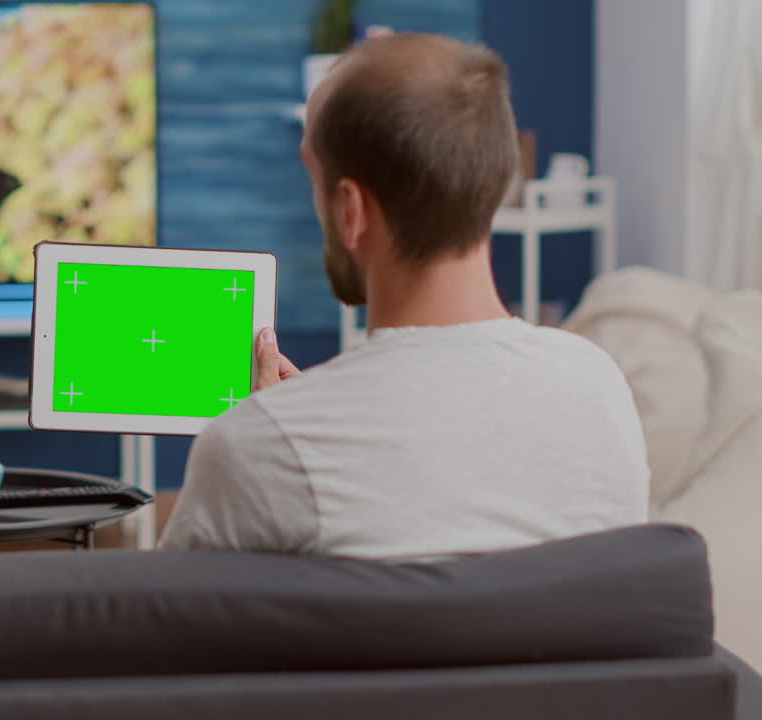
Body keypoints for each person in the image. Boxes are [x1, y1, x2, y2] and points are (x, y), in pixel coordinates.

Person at [158, 34, 649, 560]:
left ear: (352, 211)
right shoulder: (600, 391)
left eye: (314, 177)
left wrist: (284, 433)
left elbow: (164, 626)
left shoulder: (257, 447)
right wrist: (296, 424)